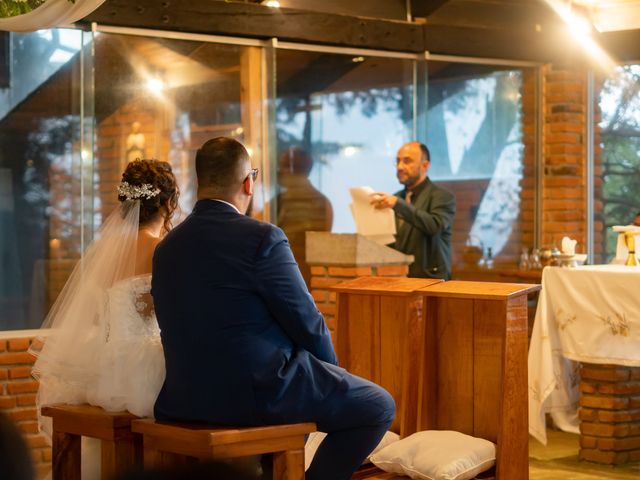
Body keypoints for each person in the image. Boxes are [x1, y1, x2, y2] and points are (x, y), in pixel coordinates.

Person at [152, 137, 395, 480]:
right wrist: (333, 374)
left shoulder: (167, 247)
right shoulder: (262, 238)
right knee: (377, 405)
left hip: (183, 397)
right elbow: (306, 320)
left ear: (199, 181)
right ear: (249, 182)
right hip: (256, 392)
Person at [31, 159, 179, 430]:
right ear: (169, 204)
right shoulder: (163, 250)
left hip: (104, 365)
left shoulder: (106, 254)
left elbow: (101, 317)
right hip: (146, 368)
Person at [371, 141, 455, 280]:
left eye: (407, 161)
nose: (400, 167)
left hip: (431, 282)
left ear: (425, 165)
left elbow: (435, 226)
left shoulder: (442, 196)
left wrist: (399, 205)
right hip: (398, 278)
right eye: (397, 161)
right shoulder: (396, 198)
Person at [277, 146, 333, 286]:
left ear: (291, 170)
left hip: (288, 275)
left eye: (282, 166)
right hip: (306, 280)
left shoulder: (280, 201)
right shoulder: (323, 203)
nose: (278, 172)